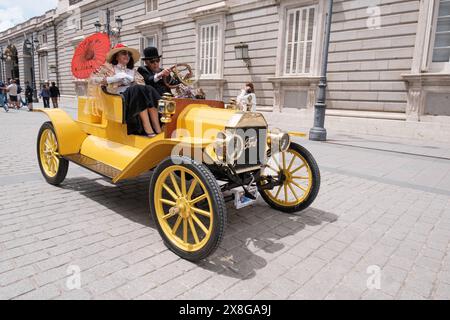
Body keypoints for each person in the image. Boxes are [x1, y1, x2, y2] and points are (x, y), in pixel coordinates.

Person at [91, 44, 162, 137]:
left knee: (148, 88)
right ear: (116, 56)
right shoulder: (108, 68)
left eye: (128, 54)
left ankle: (157, 127)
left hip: (133, 97)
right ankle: (147, 127)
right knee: (137, 89)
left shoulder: (132, 71)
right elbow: (93, 80)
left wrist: (132, 81)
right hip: (119, 99)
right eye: (124, 53)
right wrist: (112, 79)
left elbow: (142, 85)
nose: (127, 56)